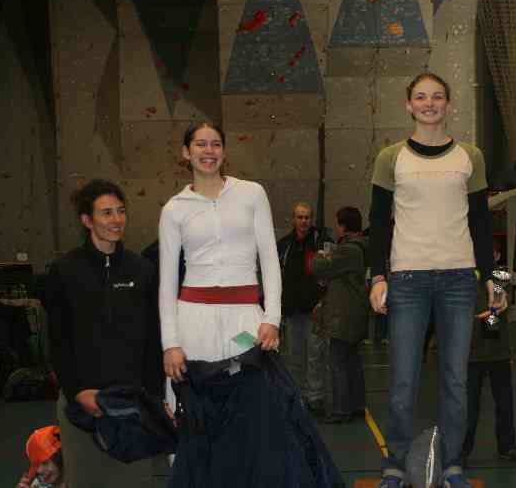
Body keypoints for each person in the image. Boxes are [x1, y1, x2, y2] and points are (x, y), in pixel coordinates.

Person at [159, 123, 344, 487]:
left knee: (257, 416)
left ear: (224, 151)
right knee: (194, 417)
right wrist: (170, 343)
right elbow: (167, 281)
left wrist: (272, 318)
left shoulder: (252, 194)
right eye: (200, 144)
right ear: (186, 152)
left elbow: (270, 259)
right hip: (193, 326)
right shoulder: (174, 210)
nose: (208, 151)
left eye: (215, 144)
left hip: (245, 324)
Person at [368, 72, 507, 488]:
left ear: (448, 104)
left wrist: (492, 279)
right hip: (407, 280)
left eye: (437, 97)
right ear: (409, 105)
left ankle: (452, 465)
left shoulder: (470, 157)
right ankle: (395, 465)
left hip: (459, 280)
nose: (429, 103)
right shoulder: (390, 158)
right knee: (403, 380)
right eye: (421, 97)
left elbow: (481, 224)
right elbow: (379, 224)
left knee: (455, 380)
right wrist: (378, 277)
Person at [46, 179, 163, 488]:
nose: (116, 220)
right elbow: (58, 341)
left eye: (121, 211)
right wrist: (76, 392)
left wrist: (154, 397)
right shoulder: (64, 271)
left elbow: (153, 340)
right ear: (87, 220)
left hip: (131, 404)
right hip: (82, 401)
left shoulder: (143, 270)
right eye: (107, 213)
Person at [462, 242, 516, 465]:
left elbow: (499, 303)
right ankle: (461, 450)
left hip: (499, 353)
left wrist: (492, 309)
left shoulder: (501, 277)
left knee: (505, 404)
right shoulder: (464, 276)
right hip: (470, 354)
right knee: (469, 407)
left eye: (491, 254)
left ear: (497, 255)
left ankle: (508, 447)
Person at [312, 206, 370, 423]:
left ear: (343, 226)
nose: (336, 228)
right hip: (355, 313)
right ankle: (356, 405)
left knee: (338, 363)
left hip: (344, 316)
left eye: (337, 223)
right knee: (352, 362)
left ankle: (341, 410)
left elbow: (319, 267)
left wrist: (321, 254)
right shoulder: (362, 246)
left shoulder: (349, 250)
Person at [277, 201, 330, 415]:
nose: (304, 221)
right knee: (295, 356)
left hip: (315, 309)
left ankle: (315, 396)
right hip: (292, 310)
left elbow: (329, 274)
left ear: (311, 219)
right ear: (293, 219)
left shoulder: (322, 242)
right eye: (300, 217)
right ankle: (297, 395)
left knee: (315, 355)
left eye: (307, 217)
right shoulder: (284, 245)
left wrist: (324, 301)